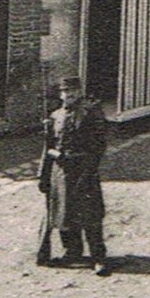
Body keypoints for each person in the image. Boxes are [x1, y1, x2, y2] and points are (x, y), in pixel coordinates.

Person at [37, 76, 110, 275]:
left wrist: (87, 168)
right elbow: (48, 147)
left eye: (73, 92)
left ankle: (98, 257)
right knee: (63, 212)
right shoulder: (55, 116)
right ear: (61, 94)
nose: (68, 96)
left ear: (79, 92)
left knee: (90, 214)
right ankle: (72, 252)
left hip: (83, 170)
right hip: (60, 172)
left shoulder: (90, 114)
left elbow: (99, 147)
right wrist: (43, 175)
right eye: (65, 92)